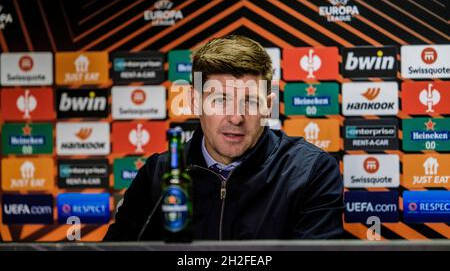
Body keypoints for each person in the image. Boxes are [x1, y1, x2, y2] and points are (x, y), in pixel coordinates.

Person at [104, 35, 344, 240]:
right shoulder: (157, 173)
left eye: (250, 101)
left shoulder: (311, 171)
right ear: (195, 102)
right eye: (220, 100)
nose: (236, 118)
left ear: (268, 107)